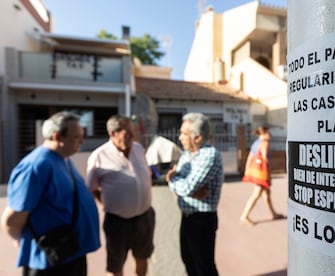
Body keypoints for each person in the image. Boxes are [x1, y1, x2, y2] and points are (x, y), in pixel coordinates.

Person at [1, 111, 100, 276]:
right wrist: (23, 240)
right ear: (57, 137)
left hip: (71, 254)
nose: (82, 142)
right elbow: (12, 220)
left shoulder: (63, 159)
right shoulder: (36, 166)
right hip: (50, 261)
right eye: (76, 137)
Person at [86, 114, 155, 276]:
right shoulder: (99, 156)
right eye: (127, 133)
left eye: (133, 132)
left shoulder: (138, 148)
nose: (133, 136)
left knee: (142, 257)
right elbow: (91, 188)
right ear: (113, 134)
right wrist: (105, 202)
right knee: (116, 265)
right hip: (117, 223)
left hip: (144, 217)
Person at [166, 112, 223, 276]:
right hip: (187, 217)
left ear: (197, 137)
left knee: (204, 267)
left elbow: (186, 187)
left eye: (184, 134)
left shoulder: (209, 155)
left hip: (202, 220)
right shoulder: (186, 154)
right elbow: (182, 184)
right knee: (188, 260)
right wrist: (180, 184)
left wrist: (174, 182)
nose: (180, 137)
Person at [240, 126, 282, 225]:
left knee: (267, 194)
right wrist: (269, 174)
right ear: (265, 133)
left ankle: (274, 214)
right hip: (262, 174)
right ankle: (244, 216)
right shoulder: (265, 143)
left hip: (256, 172)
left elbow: (250, 157)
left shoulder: (255, 143)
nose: (270, 135)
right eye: (269, 132)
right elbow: (264, 159)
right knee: (256, 194)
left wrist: (247, 170)